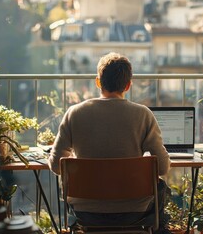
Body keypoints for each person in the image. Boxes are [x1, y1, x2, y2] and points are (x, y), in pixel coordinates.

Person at [48, 52, 171, 233]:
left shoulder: (74, 113)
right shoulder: (143, 115)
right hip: (135, 212)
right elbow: (162, 168)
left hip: (86, 212)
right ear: (128, 85)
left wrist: (75, 159)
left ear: (98, 82)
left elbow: (56, 166)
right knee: (160, 186)